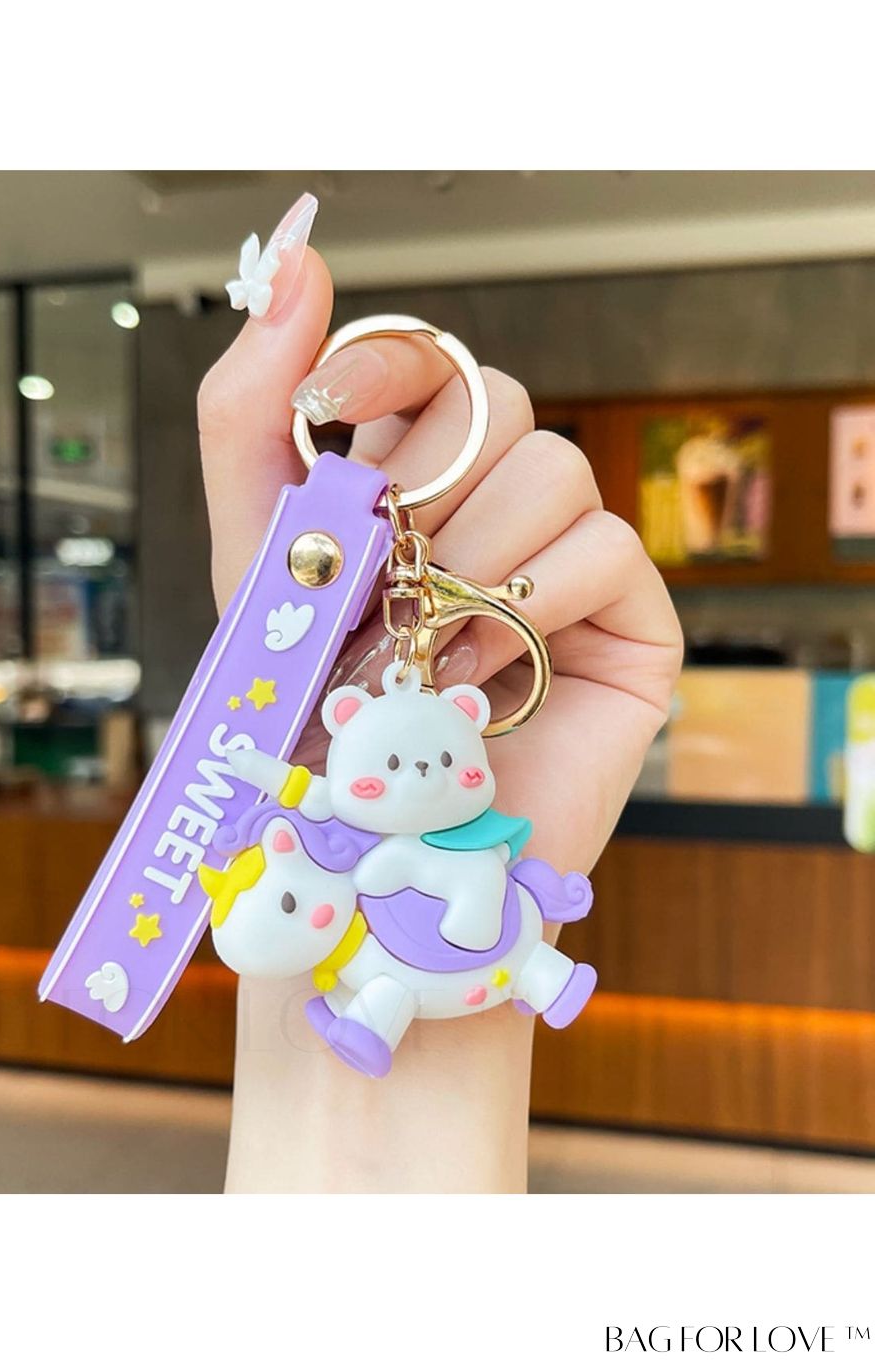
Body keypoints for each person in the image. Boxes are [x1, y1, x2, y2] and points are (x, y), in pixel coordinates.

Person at [199, 193, 683, 1192]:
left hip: (463, 918)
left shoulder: (416, 815)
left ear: (468, 718)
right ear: (343, 719)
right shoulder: (340, 812)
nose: (414, 770)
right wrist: (267, 734)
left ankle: (545, 975)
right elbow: (304, 806)